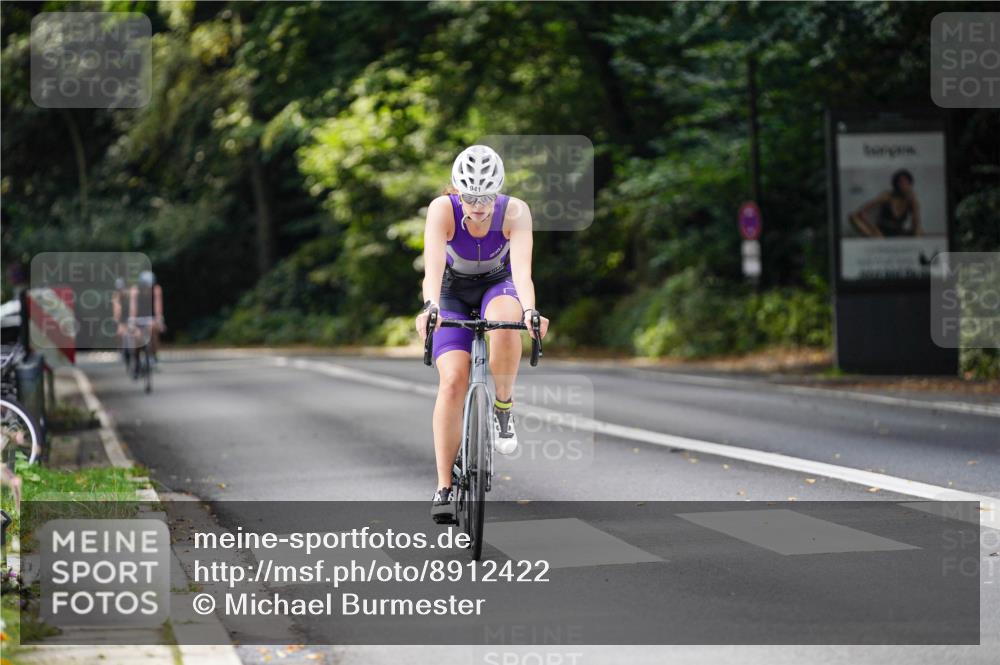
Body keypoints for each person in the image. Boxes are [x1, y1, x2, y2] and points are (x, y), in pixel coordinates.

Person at [416, 145, 549, 524]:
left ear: (498, 192)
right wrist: (430, 308)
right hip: (451, 292)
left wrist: (530, 312)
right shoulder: (443, 210)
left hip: (498, 285)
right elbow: (433, 271)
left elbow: (522, 273)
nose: (477, 206)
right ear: (457, 192)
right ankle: (444, 486)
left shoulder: (515, 211)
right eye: (470, 198)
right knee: (454, 381)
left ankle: (502, 407)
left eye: (486, 198)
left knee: (508, 325)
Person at [848, 169, 923, 238]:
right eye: (901, 182)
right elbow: (861, 212)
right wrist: (873, 228)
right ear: (896, 184)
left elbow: (916, 223)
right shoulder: (887, 196)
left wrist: (914, 203)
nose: (903, 185)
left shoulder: (911, 199)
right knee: (852, 216)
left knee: (920, 232)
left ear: (910, 184)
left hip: (899, 231)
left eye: (906, 183)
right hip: (881, 231)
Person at [128, 270, 165, 370]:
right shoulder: (135, 291)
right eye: (146, 286)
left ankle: (154, 354)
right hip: (138, 317)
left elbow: (158, 306)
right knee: (137, 336)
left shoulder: (156, 290)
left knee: (154, 330)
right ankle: (136, 360)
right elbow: (133, 307)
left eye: (150, 286)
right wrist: (132, 321)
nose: (148, 288)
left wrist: (159, 319)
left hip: (150, 317)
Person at [111, 277, 131, 369]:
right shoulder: (115, 296)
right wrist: (116, 319)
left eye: (121, 288)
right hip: (122, 318)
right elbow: (116, 308)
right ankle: (121, 351)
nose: (120, 290)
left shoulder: (129, 294)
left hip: (131, 315)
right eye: (118, 289)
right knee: (119, 333)